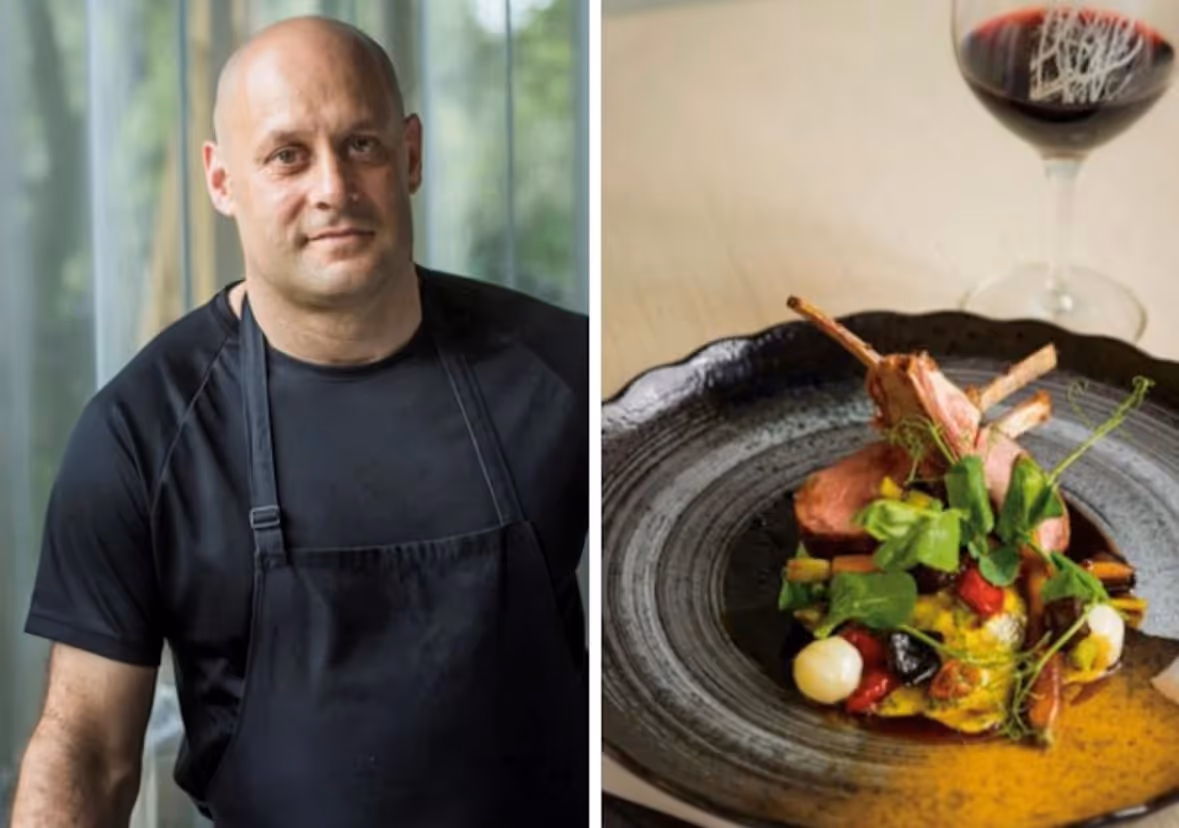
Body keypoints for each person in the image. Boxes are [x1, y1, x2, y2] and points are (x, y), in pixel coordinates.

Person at [11, 15, 587, 828]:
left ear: (411, 155)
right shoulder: (137, 435)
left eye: (362, 145)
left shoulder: (562, 369)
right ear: (220, 181)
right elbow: (88, 753)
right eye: (287, 155)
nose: (333, 189)